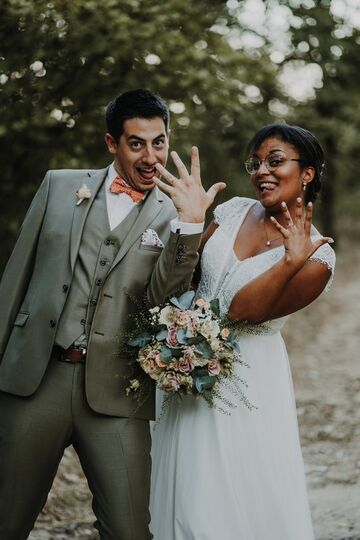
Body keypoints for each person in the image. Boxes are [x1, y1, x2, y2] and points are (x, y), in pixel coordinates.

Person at [0, 89, 225, 540]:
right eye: (136, 143)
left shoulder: (174, 215)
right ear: (111, 143)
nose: (149, 156)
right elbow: (14, 282)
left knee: (128, 529)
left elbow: (163, 299)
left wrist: (191, 227)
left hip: (118, 392)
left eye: (158, 142)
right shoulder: (60, 186)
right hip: (34, 380)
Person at [150, 123, 336, 539]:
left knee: (226, 494)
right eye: (255, 163)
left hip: (247, 382)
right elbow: (183, 284)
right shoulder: (232, 210)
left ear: (307, 172)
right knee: (183, 489)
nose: (261, 172)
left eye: (275, 161)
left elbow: (241, 311)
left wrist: (290, 263)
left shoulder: (319, 259)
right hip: (185, 363)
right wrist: (191, 222)